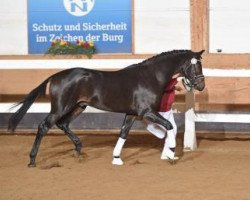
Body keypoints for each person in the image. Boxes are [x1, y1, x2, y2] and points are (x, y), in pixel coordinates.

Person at [147, 74, 183, 160]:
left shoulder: (168, 78)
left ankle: (166, 154)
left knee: (173, 129)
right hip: (162, 110)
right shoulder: (162, 77)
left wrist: (175, 87)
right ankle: (150, 125)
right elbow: (165, 87)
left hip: (168, 109)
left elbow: (168, 86)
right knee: (167, 131)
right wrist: (177, 79)